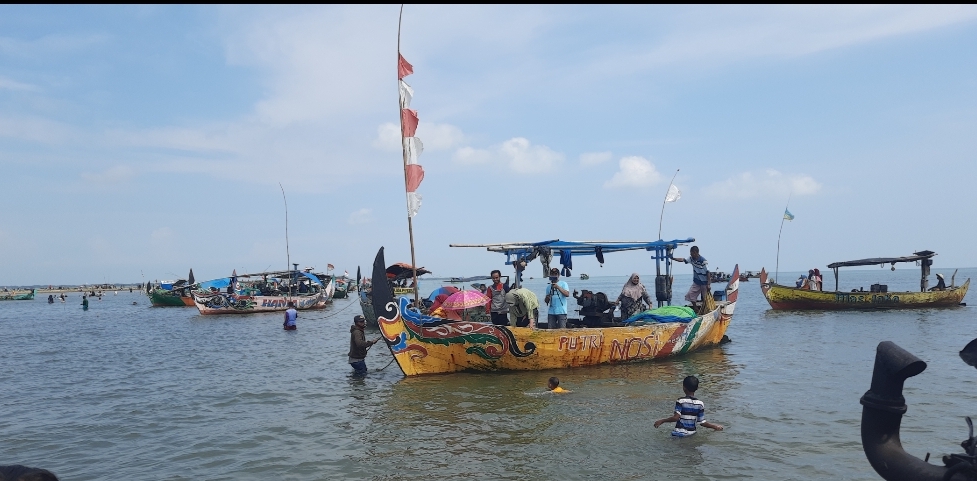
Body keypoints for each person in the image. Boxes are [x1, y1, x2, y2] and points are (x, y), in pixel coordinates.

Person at [653, 375, 724, 437]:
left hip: (678, 434)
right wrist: (715, 426)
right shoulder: (700, 404)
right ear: (697, 388)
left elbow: (676, 418)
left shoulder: (680, 401)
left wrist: (663, 420)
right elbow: (702, 422)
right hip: (691, 434)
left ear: (684, 388)